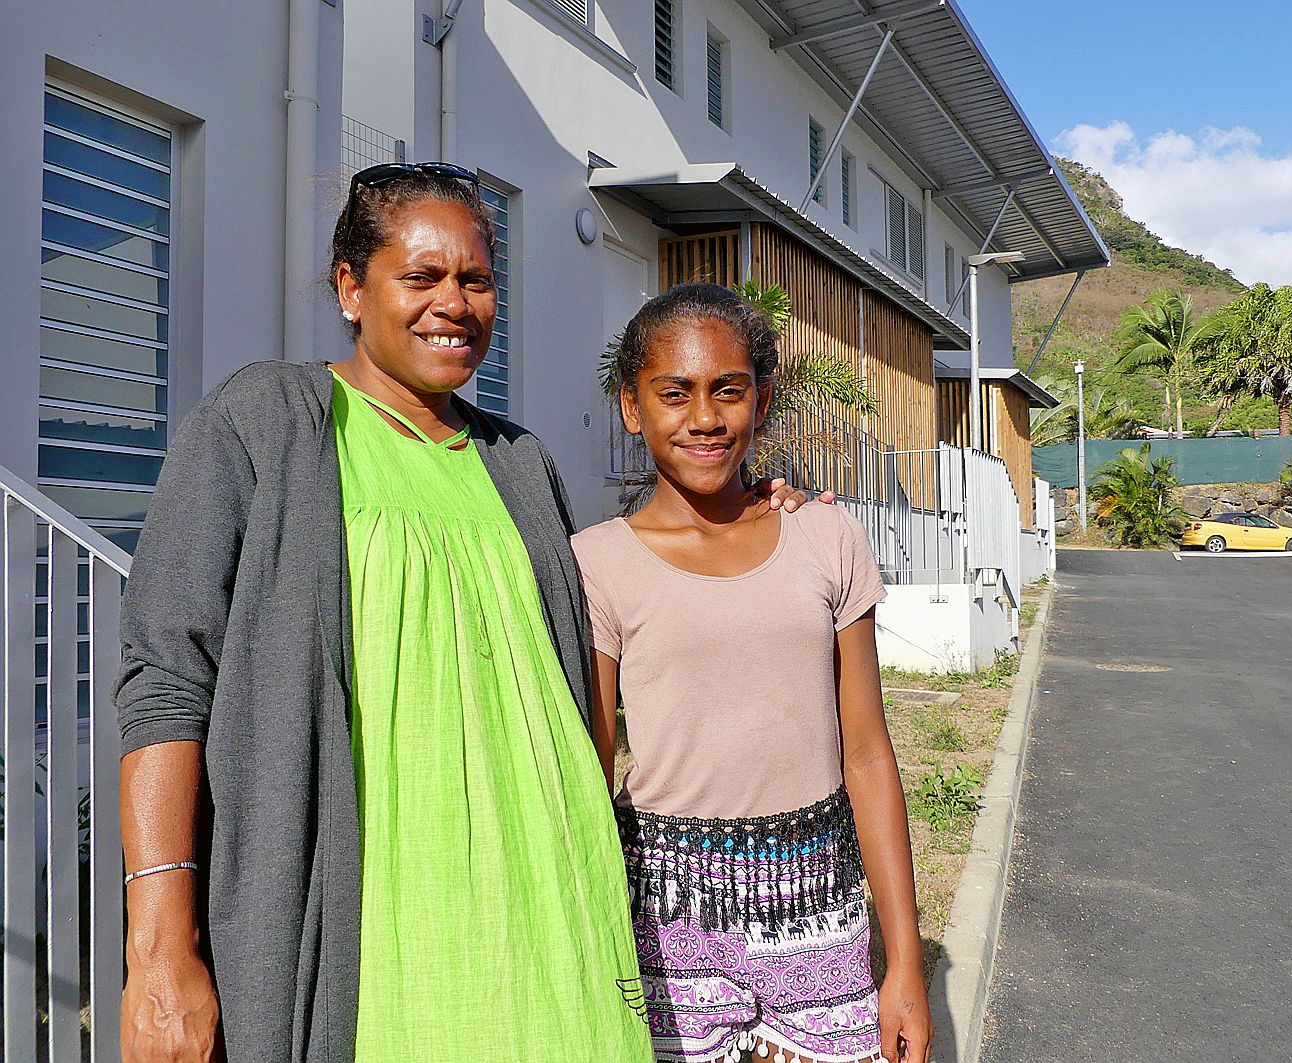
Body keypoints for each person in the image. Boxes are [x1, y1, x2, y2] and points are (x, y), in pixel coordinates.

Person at [116, 163, 817, 1063]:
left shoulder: (519, 463)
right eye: (421, 276)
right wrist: (161, 945)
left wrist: (751, 510)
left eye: (476, 280)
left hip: (552, 921)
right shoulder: (267, 422)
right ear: (349, 288)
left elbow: (634, 606)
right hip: (378, 949)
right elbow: (167, 681)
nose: (454, 302)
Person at [572, 284, 933, 1063]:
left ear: (761, 400)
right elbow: (589, 775)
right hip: (665, 920)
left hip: (819, 911)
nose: (703, 417)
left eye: (726, 390)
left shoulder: (824, 535)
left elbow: (866, 754)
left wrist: (903, 961)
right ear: (632, 407)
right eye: (673, 394)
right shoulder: (596, 564)